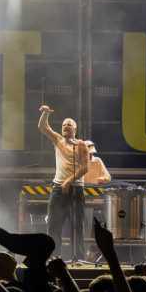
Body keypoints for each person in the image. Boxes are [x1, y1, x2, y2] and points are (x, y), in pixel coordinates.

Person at [38, 104, 90, 260]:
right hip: (58, 188)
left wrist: (69, 181)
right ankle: (54, 256)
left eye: (69, 124)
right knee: (53, 224)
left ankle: (78, 257)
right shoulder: (58, 140)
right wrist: (46, 113)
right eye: (64, 125)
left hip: (76, 189)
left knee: (77, 224)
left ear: (75, 129)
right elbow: (43, 127)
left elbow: (85, 168)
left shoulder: (81, 145)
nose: (66, 126)